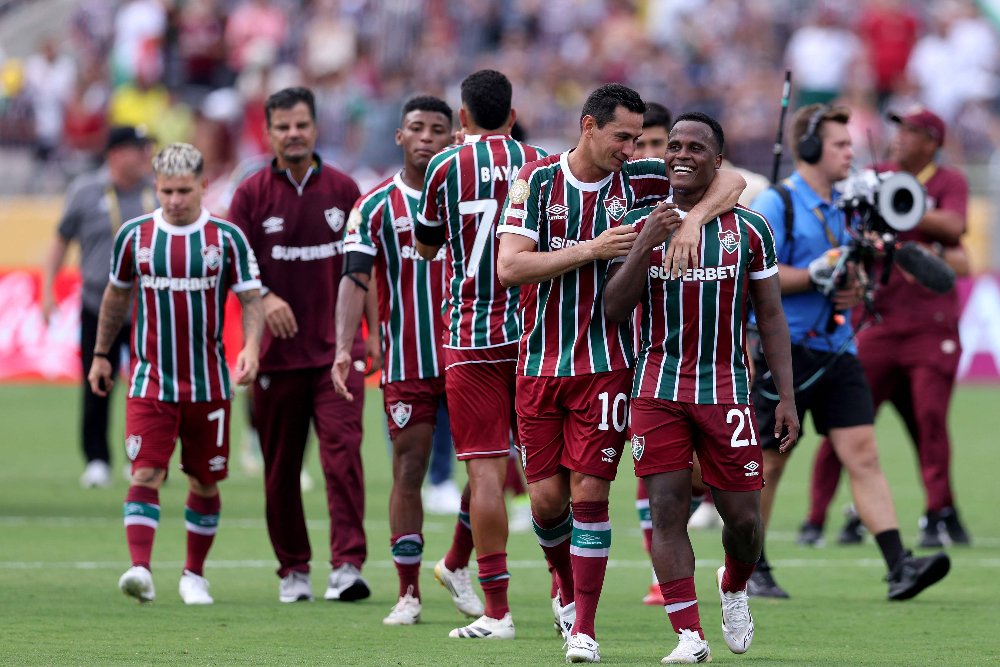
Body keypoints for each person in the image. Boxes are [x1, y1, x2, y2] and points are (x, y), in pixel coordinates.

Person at [496, 88, 746, 663]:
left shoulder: (638, 179)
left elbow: (730, 181)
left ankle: (584, 627)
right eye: (623, 138)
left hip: (607, 366)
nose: (633, 149)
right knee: (545, 503)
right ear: (589, 127)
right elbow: (511, 266)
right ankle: (564, 586)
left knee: (589, 493)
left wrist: (693, 223)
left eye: (638, 139)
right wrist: (593, 249)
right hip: (539, 365)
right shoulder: (535, 184)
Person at [604, 111, 799, 665]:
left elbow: (772, 316)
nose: (681, 155)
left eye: (695, 147)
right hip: (656, 388)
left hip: (726, 390)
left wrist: (785, 397)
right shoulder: (640, 216)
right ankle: (689, 634)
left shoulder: (749, 228)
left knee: (742, 520)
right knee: (667, 510)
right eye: (675, 146)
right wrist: (646, 244)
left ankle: (734, 586)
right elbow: (613, 310)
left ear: (717, 161)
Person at [748, 103, 951, 601]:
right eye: (841, 144)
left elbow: (849, 275)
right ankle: (751, 567)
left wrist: (853, 285)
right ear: (812, 148)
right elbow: (758, 279)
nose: (850, 153)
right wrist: (816, 272)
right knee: (771, 461)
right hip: (785, 352)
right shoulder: (778, 204)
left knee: (863, 453)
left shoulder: (848, 205)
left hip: (838, 347)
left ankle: (899, 566)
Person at [88, 142, 263, 605]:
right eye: (166, 191)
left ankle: (194, 574)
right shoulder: (134, 236)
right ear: (155, 187)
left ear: (203, 186)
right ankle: (140, 569)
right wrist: (102, 353)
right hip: (151, 382)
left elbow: (251, 300)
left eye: (184, 190)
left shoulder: (226, 239)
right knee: (145, 472)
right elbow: (116, 297)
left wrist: (249, 348)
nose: (175, 200)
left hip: (208, 385)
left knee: (204, 481)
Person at [332, 95, 483, 625]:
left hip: (474, 353)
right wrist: (342, 349)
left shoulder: (474, 200)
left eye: (436, 128)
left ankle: (458, 561)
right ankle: (408, 593)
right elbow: (353, 280)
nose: (425, 136)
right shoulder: (373, 207)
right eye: (415, 127)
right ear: (399, 137)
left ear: (453, 136)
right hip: (408, 361)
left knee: (495, 469)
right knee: (408, 470)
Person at [799, 107, 971, 549]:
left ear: (932, 142)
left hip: (931, 326)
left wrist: (898, 203)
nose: (900, 138)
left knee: (931, 420)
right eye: (899, 129)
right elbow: (845, 224)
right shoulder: (873, 174)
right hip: (876, 321)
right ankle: (814, 518)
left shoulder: (948, 181)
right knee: (845, 421)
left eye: (912, 132)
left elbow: (955, 228)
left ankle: (938, 512)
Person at [414, 69, 547, 640]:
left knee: (485, 469)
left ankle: (498, 611)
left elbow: (425, 246)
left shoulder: (444, 166)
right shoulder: (541, 161)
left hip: (470, 334)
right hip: (535, 333)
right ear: (512, 116)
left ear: (461, 119)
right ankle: (566, 598)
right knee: (546, 465)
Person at [228, 87, 369, 604]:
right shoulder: (250, 196)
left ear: (315, 127)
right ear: (268, 132)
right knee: (281, 469)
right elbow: (232, 265)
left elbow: (365, 266)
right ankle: (293, 569)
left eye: (301, 124)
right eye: (283, 126)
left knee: (343, 458)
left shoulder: (344, 188)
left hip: (336, 355)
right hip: (277, 360)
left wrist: (366, 335)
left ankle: (348, 565)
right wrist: (263, 297)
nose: (293, 133)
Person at [42, 125, 156, 488]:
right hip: (98, 303)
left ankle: (143, 455)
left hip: (147, 307)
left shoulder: (157, 192)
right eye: (136, 150)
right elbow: (60, 241)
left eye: (145, 149)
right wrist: (47, 291)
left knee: (151, 387)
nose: (143, 156)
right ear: (115, 154)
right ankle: (96, 459)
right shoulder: (85, 191)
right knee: (97, 383)